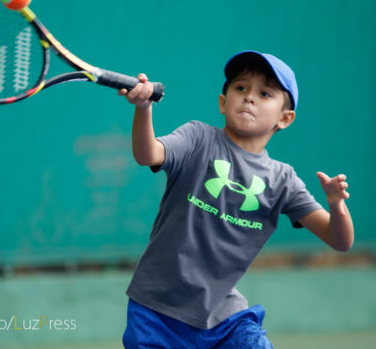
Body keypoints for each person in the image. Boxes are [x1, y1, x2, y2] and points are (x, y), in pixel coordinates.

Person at [118, 51, 354, 348]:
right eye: (241, 88)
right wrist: (144, 108)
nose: (249, 98)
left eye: (265, 93)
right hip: (155, 312)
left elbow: (339, 240)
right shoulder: (197, 138)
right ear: (223, 102)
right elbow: (148, 154)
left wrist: (336, 204)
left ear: (285, 118)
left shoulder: (283, 180)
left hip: (225, 320)